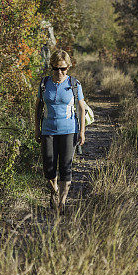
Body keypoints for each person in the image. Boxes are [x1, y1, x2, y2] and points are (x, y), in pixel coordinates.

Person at [35, 49, 87, 216]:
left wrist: (82, 131)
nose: (60, 72)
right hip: (48, 130)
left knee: (66, 167)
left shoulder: (74, 84)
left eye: (63, 69)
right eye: (56, 68)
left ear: (68, 68)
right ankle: (54, 191)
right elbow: (38, 107)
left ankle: (62, 202)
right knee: (49, 167)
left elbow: (81, 107)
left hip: (69, 131)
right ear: (51, 67)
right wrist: (37, 128)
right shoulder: (44, 83)